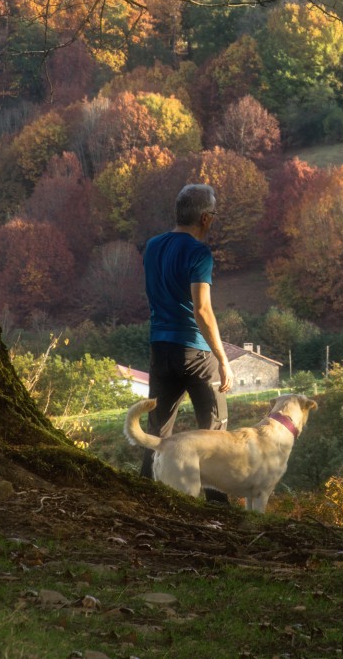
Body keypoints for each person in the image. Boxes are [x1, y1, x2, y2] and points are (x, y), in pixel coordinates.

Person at [138, 182, 233, 477]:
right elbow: (202, 309)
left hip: (160, 348)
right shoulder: (199, 253)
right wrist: (223, 359)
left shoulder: (153, 246)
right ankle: (216, 509)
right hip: (194, 352)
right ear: (205, 218)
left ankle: (145, 493)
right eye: (213, 215)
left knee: (157, 432)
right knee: (215, 430)